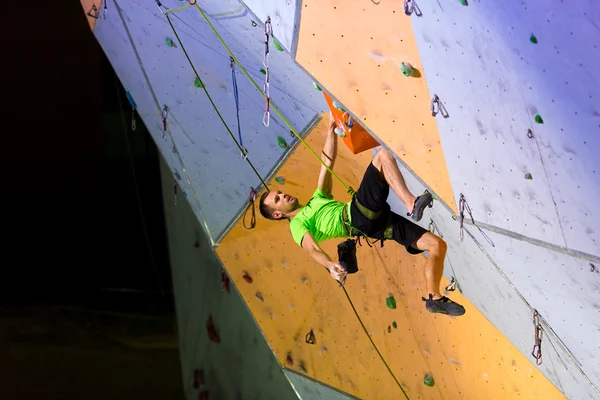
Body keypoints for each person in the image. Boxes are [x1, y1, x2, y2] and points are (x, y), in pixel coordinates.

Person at [258, 115, 465, 316]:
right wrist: (330, 264)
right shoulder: (296, 225)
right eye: (278, 199)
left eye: (279, 193)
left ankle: (433, 297)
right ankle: (411, 202)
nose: (283, 195)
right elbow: (312, 249)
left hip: (374, 225)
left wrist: (331, 128)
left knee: (436, 245)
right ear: (278, 214)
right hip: (357, 216)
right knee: (382, 157)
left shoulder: (316, 199)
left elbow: (326, 164)